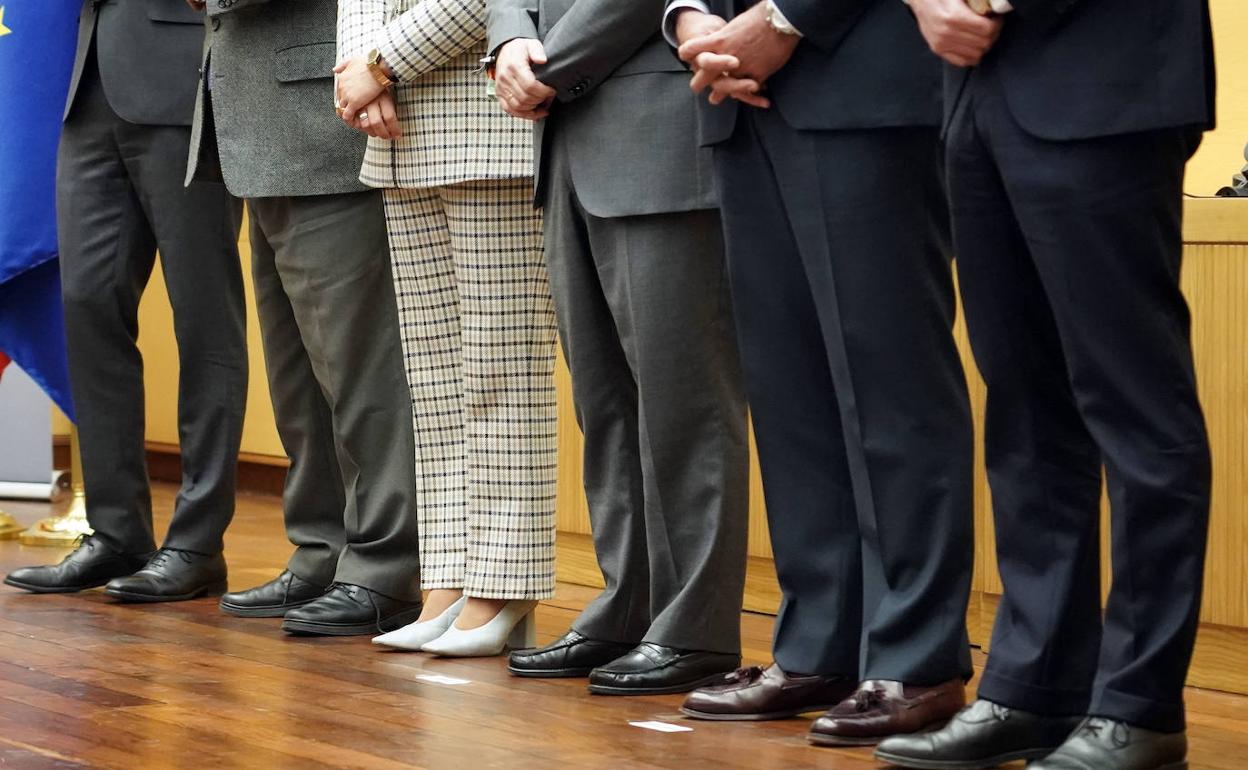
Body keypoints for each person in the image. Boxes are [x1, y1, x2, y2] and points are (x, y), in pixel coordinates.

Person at [876, 2, 1215, 769]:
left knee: (1135, 407)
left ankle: (1140, 704)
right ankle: (1032, 687)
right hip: (976, 91)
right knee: (1025, 411)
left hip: (1109, 75)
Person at [666, 0, 977, 747]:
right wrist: (689, 21)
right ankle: (818, 647)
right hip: (735, 99)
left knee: (891, 384)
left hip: (857, 76)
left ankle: (916, 659)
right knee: (787, 396)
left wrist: (782, 18)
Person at [485, 0, 751, 694]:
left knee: (683, 401)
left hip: (654, 131)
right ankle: (624, 606)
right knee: (603, 404)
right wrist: (508, 38)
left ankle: (693, 627)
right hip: (565, 146)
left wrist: (547, 65)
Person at [188, 0, 424, 636]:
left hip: (323, 124)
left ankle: (385, 569)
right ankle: (322, 549)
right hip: (262, 128)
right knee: (297, 379)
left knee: (359, 373)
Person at [332, 0, 557, 656]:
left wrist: (381, 63)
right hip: (400, 130)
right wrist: (357, 69)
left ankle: (503, 584)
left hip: (482, 116)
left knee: (499, 371)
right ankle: (452, 577)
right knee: (436, 384)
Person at [4, 0, 247, 602]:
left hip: (187, 86)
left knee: (205, 318)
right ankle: (116, 533)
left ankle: (195, 544)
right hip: (86, 90)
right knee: (87, 309)